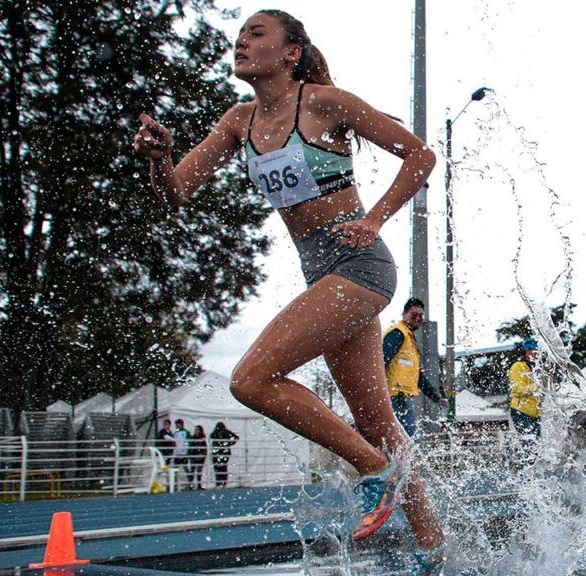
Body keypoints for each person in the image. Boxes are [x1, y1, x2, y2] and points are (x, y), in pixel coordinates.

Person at [133, 10, 444, 572]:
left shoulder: (324, 103)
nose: (241, 42)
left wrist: (374, 219)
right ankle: (432, 546)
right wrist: (160, 160)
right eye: (239, 35)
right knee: (377, 421)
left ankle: (374, 469)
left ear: (290, 53)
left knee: (250, 380)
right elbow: (176, 192)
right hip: (323, 277)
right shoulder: (239, 121)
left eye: (256, 34)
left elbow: (420, 155)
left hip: (361, 266)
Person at [383, 298, 448, 438]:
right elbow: (380, 362)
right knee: (409, 438)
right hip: (395, 397)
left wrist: (436, 398)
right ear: (404, 314)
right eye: (414, 315)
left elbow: (418, 377)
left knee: (403, 438)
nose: (418, 319)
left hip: (400, 397)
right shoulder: (398, 333)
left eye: (421, 316)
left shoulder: (410, 339)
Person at [508, 338, 542, 468]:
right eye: (533, 350)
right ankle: (522, 469)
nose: (536, 353)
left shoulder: (537, 367)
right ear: (527, 351)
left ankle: (526, 469)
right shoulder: (517, 367)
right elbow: (518, 389)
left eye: (537, 351)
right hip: (520, 411)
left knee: (536, 446)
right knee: (529, 443)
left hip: (535, 413)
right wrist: (537, 386)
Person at [210, 422, 239, 488]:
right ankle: (220, 482)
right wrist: (228, 443)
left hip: (222, 452)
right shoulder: (216, 433)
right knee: (218, 467)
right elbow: (211, 436)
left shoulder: (226, 432)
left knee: (222, 467)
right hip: (218, 452)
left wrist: (228, 443)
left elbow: (236, 437)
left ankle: (222, 482)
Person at [172, 418, 193, 488]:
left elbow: (189, 442)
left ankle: (190, 483)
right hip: (177, 453)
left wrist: (187, 451)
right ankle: (175, 484)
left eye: (178, 424)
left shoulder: (186, 432)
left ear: (181, 424)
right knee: (175, 468)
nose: (177, 426)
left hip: (184, 453)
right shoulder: (175, 433)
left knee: (185, 468)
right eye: (176, 424)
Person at [190, 424, 209, 490]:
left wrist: (202, 455)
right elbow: (191, 448)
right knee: (192, 470)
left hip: (201, 457)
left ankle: (199, 485)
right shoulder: (192, 438)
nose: (196, 431)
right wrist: (194, 455)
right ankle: (191, 485)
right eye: (195, 430)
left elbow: (205, 448)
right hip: (193, 456)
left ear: (200, 431)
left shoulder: (202, 439)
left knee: (199, 471)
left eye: (197, 430)